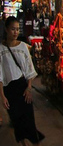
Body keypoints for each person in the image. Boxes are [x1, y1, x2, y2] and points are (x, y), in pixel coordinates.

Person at [0, 16, 45, 145]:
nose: (15, 32)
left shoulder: (23, 47)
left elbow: (29, 68)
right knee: (17, 122)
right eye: (13, 29)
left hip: (23, 87)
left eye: (17, 29)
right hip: (9, 90)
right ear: (7, 30)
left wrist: (29, 87)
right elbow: (0, 75)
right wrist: (2, 96)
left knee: (29, 120)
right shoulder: (1, 49)